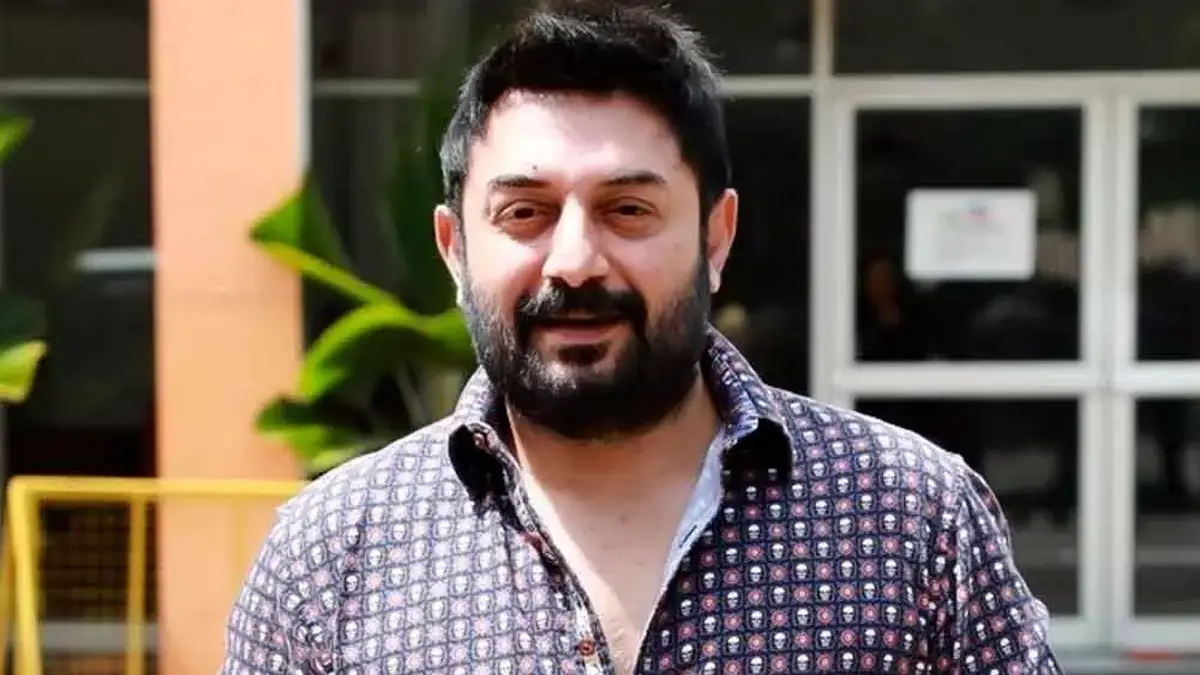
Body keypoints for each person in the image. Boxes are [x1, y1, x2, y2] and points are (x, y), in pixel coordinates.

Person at [220, 2, 1061, 673]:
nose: (576, 261)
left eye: (628, 209)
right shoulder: (331, 558)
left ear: (715, 238)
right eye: (525, 212)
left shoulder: (913, 519)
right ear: (455, 249)